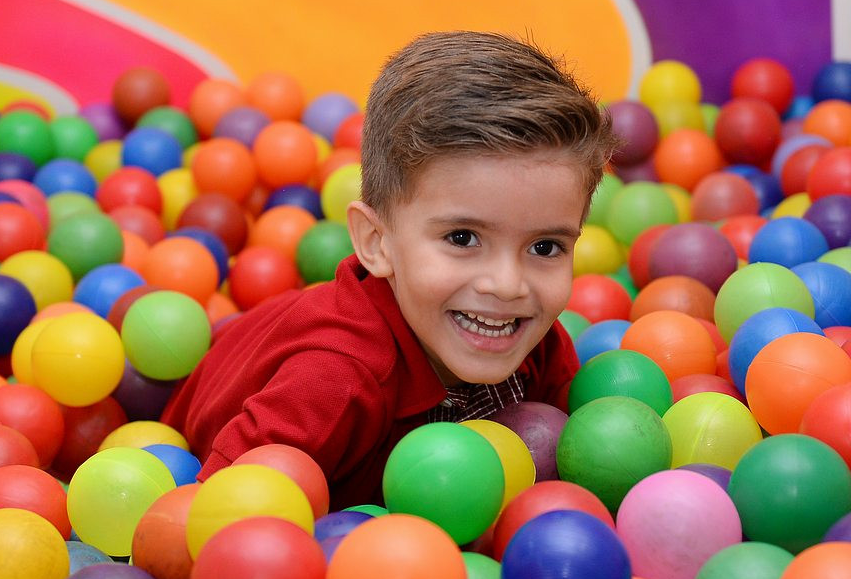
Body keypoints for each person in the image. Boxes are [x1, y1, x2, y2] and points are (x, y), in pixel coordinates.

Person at [162, 30, 619, 509]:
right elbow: (218, 519)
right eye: (462, 238)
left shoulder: (530, 336)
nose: (507, 285)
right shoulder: (334, 380)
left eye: (545, 247)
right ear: (376, 243)